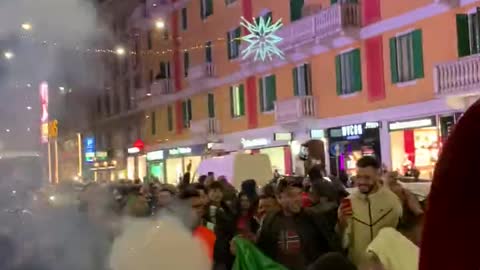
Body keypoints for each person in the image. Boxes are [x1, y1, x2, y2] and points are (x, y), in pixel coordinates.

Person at [257, 179, 340, 270]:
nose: (297, 199)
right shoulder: (270, 221)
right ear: (279, 198)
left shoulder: (313, 218)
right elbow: (262, 254)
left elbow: (331, 246)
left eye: (299, 194)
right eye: (291, 195)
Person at [338, 156, 402, 266]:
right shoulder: (348, 202)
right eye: (358, 177)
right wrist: (341, 223)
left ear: (378, 176)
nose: (361, 182)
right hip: (358, 265)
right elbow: (343, 241)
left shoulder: (392, 201)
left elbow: (399, 235)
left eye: (367, 178)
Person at [178, 186, 216, 262]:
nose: (199, 210)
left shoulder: (209, 230)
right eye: (195, 206)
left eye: (200, 206)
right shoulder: (173, 233)